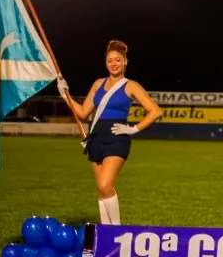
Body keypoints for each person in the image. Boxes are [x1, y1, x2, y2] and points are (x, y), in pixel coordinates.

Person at [61, 39, 162, 225]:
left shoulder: (131, 85)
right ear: (105, 63)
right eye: (109, 60)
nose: (113, 64)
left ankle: (116, 231)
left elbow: (155, 111)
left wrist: (133, 128)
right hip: (96, 138)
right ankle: (106, 234)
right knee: (101, 190)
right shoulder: (98, 84)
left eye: (117, 60)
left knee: (105, 185)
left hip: (117, 138)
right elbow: (83, 113)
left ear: (125, 61)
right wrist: (65, 95)